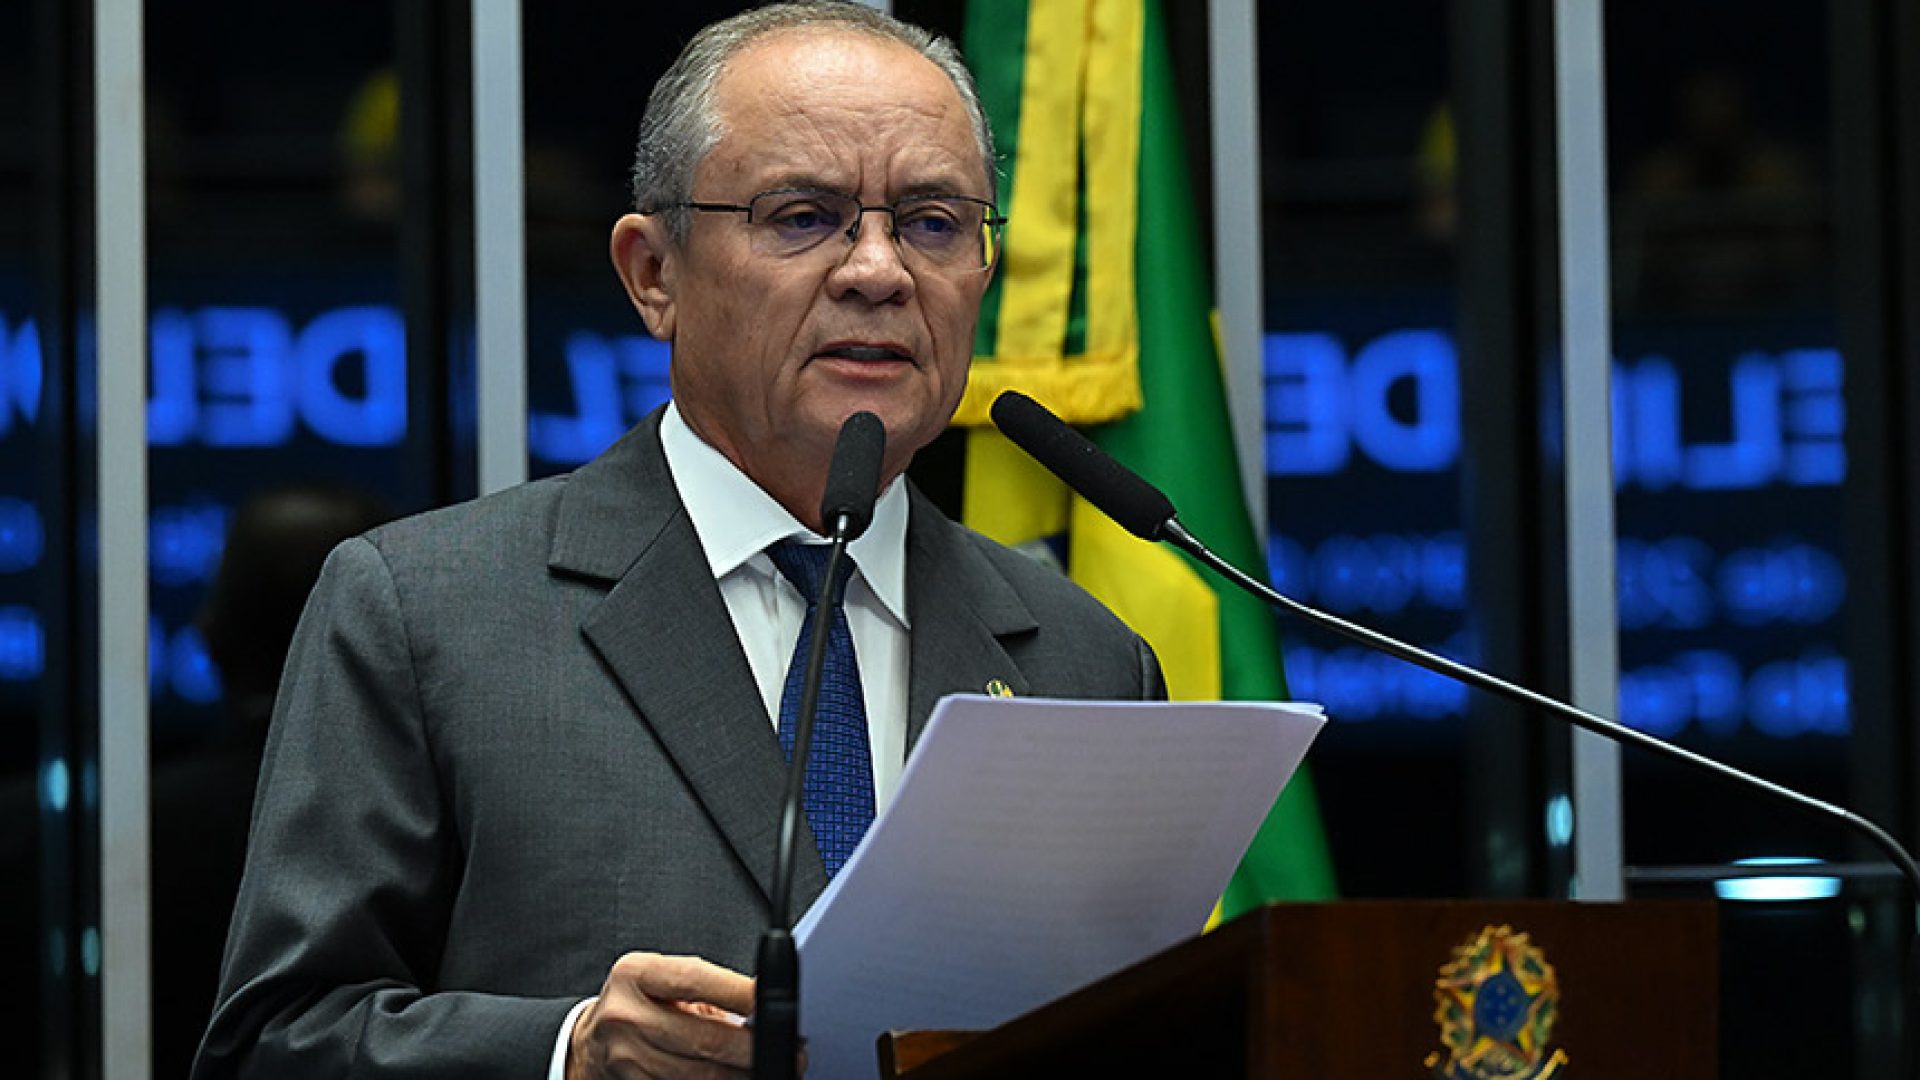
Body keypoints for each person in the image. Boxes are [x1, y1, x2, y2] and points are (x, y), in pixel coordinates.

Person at [194, 4, 1163, 1078]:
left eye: (934, 222)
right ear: (653, 273)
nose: (880, 271)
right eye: (804, 215)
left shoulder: (1085, 660)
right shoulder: (425, 612)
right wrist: (566, 1055)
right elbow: (268, 1047)